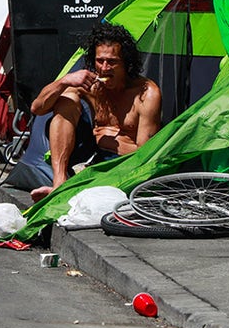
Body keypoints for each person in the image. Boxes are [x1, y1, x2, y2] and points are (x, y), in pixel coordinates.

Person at [27, 22, 162, 202]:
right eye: (100, 61)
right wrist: (65, 81)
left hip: (122, 163)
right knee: (66, 101)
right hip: (91, 156)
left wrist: (110, 144)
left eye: (112, 62)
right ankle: (59, 183)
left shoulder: (146, 94)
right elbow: (38, 108)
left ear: (126, 63)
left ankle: (75, 189)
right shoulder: (92, 86)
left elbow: (145, 156)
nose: (104, 68)